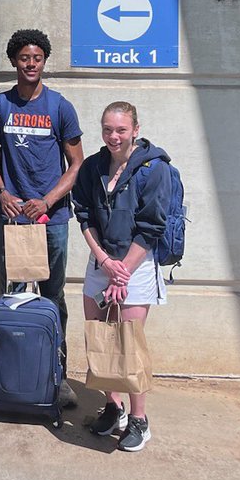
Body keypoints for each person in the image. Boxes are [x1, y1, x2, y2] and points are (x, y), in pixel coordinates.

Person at [0, 28, 84, 407]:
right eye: (24, 58)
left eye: (37, 58)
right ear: (13, 61)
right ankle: (11, 376)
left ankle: (58, 377)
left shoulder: (60, 107)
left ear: (44, 61)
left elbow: (76, 165)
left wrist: (47, 200)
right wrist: (3, 192)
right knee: (14, 298)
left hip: (50, 221)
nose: (31, 64)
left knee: (53, 297)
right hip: (12, 218)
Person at [72, 101, 169, 452]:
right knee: (100, 337)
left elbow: (151, 226)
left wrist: (122, 271)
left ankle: (140, 419)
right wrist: (102, 260)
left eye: (121, 130)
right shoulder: (94, 166)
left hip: (136, 265)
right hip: (102, 263)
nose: (114, 136)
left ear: (135, 130)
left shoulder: (153, 169)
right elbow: (83, 214)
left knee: (129, 344)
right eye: (108, 129)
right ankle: (114, 407)